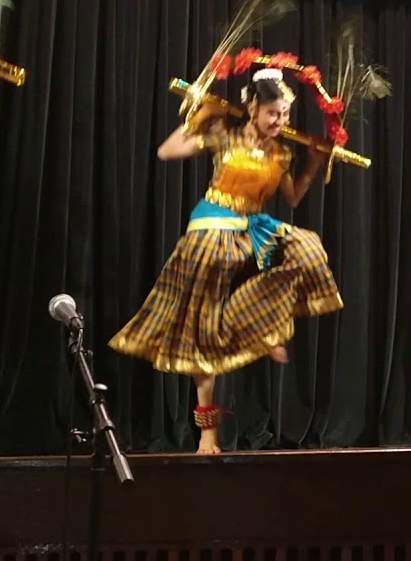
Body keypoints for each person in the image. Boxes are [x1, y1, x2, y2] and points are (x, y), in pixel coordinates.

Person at [109, 68, 344, 454]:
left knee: (307, 247)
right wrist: (197, 119)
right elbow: (167, 152)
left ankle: (263, 328)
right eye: (274, 113)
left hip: (253, 230)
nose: (280, 122)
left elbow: (293, 198)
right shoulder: (225, 137)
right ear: (252, 107)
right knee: (205, 331)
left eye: (285, 115)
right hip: (213, 231)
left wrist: (315, 162)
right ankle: (207, 435)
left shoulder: (280, 151)